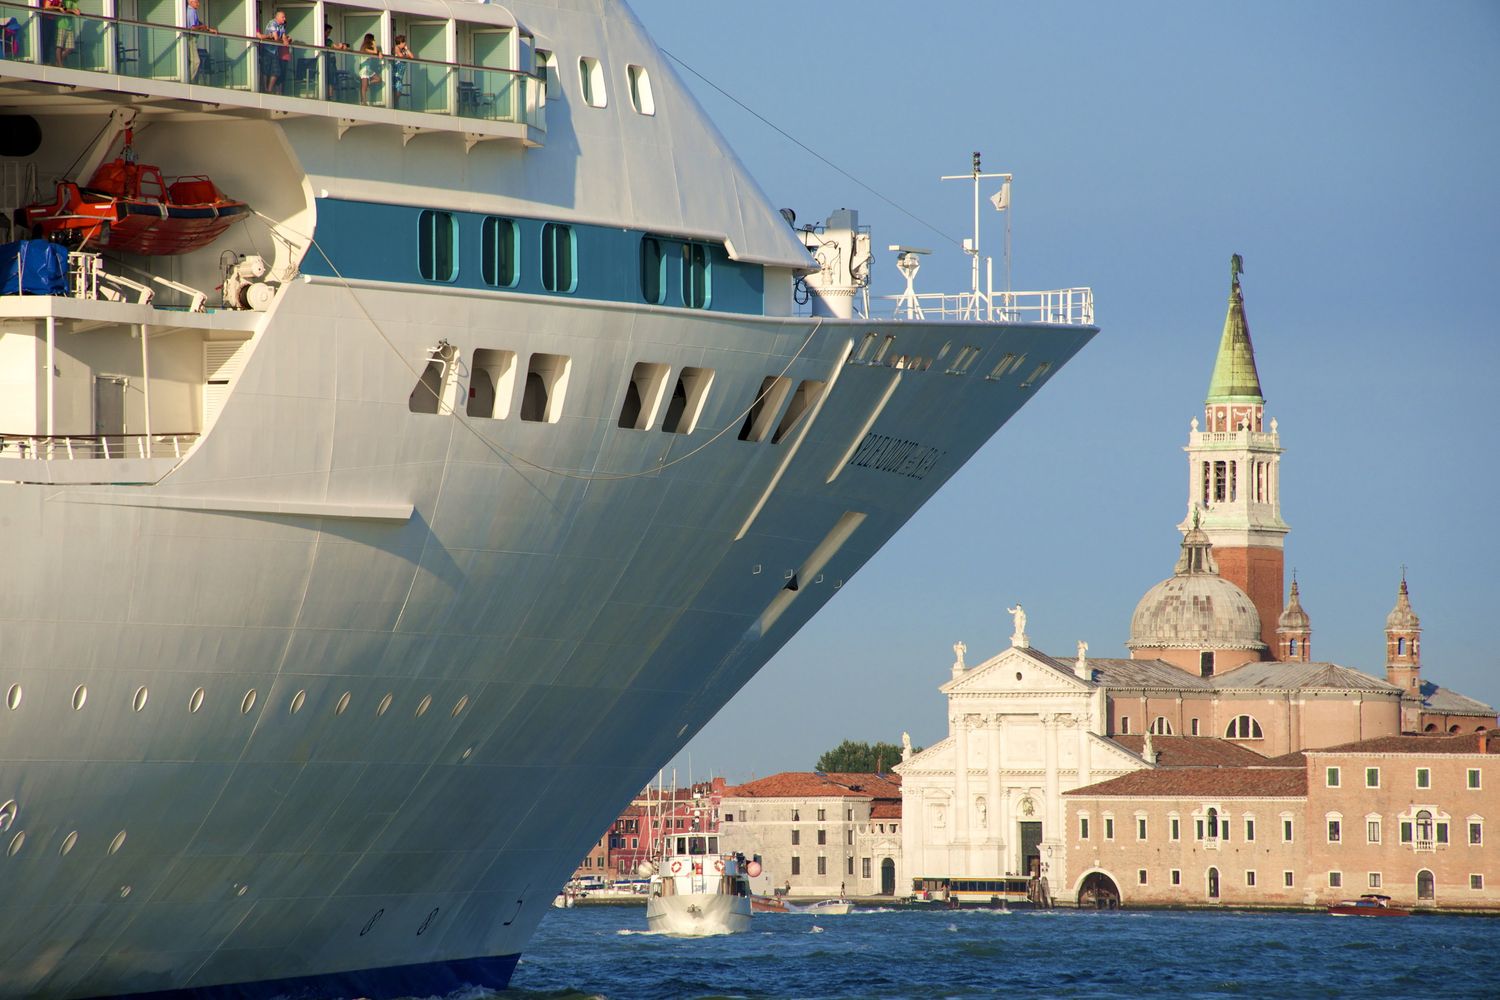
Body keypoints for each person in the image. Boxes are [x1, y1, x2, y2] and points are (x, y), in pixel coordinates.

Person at [258, 8, 288, 94]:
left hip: (274, 51)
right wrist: (283, 39)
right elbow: (276, 38)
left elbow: (283, 36)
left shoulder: (281, 26)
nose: (284, 19)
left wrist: (285, 39)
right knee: (265, 70)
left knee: (276, 71)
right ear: (277, 17)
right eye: (283, 17)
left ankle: (269, 89)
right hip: (267, 50)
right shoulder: (272, 23)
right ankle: (264, 88)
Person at [186, 0, 217, 83]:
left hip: (193, 39)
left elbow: (198, 24)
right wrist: (201, 27)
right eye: (196, 2)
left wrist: (208, 29)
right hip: (191, 38)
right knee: (196, 61)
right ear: (191, 2)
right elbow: (193, 27)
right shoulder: (191, 12)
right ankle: (187, 80)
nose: (198, 4)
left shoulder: (194, 11)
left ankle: (188, 79)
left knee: (193, 61)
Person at [356, 32, 382, 104]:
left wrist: (379, 53)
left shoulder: (368, 48)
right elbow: (374, 51)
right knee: (364, 87)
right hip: (364, 69)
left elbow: (376, 52)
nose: (373, 41)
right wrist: (374, 44)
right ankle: (364, 101)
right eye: (372, 40)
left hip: (368, 69)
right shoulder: (365, 48)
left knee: (378, 79)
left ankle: (369, 83)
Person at [390, 33, 412, 105]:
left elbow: (412, 56)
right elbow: (400, 56)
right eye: (404, 41)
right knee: (398, 89)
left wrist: (407, 49)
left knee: (399, 89)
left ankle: (395, 104)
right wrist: (406, 57)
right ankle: (394, 104)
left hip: (401, 74)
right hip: (396, 73)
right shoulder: (396, 48)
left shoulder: (403, 50)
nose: (405, 43)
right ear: (400, 42)